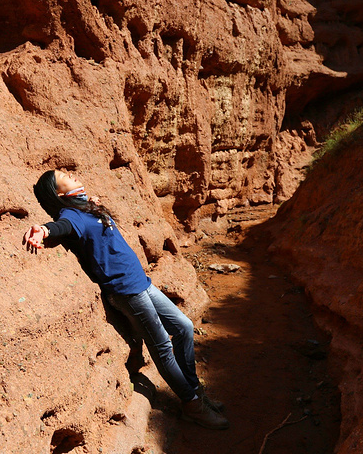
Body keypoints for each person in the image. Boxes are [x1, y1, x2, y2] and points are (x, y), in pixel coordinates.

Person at [22, 169, 229, 430]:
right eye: (65, 176)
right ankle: (192, 405)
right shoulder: (71, 215)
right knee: (162, 347)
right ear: (59, 193)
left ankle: (196, 391)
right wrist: (42, 230)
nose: (73, 175)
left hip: (142, 282)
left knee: (185, 327)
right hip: (126, 291)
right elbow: (61, 226)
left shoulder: (87, 208)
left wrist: (93, 205)